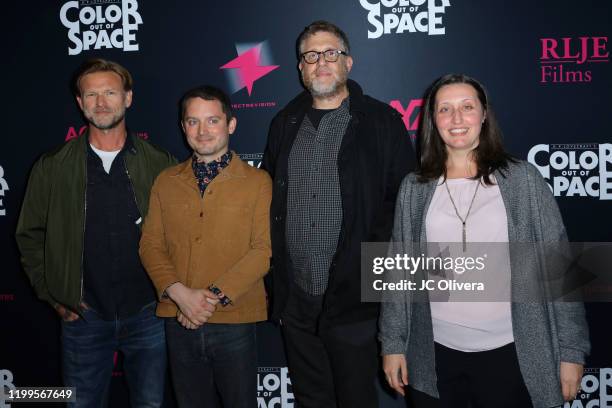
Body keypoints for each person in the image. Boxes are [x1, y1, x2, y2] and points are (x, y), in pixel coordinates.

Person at [379, 73, 590, 408]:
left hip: (512, 356)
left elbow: (560, 267)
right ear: (433, 120)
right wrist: (392, 344)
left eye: (467, 107)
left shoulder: (522, 180)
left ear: (484, 115)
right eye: (445, 109)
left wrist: (571, 351)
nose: (457, 118)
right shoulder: (414, 188)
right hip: (434, 357)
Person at [262, 20, 415, 407]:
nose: (321, 62)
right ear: (300, 68)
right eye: (311, 56)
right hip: (297, 298)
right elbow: (269, 201)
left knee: (356, 400)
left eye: (331, 53)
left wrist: (371, 278)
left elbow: (402, 206)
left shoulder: (381, 122)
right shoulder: (284, 124)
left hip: (356, 300)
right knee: (312, 399)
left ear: (349, 61)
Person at [15, 58, 176, 407]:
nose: (101, 102)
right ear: (79, 103)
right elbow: (29, 235)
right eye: (91, 95)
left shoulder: (159, 162)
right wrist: (54, 295)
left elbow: (181, 234)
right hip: (84, 318)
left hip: (149, 312)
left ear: (128, 98)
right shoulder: (53, 166)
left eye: (110, 92)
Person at [139, 85, 271, 408]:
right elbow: (150, 245)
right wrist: (181, 296)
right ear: (183, 127)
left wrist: (206, 301)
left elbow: (263, 250)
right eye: (193, 122)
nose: (203, 131)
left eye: (212, 121)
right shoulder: (165, 181)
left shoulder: (258, 182)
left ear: (231, 124)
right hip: (178, 319)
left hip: (234, 319)